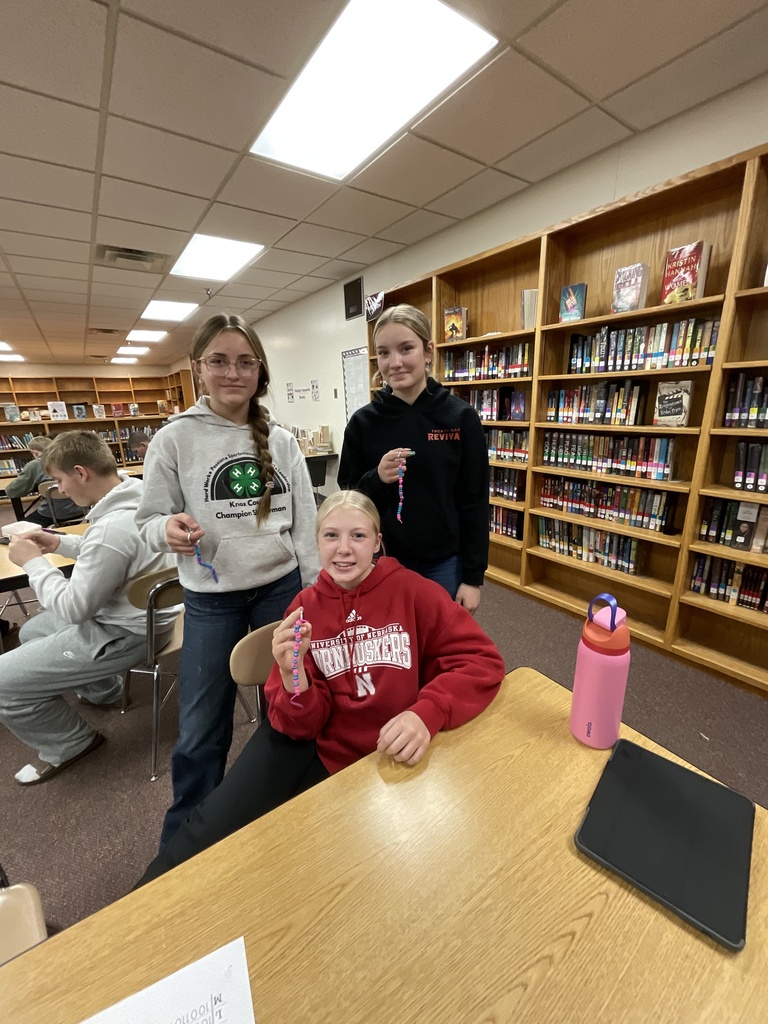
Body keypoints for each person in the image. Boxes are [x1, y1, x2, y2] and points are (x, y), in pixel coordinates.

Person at [135, 490, 504, 885]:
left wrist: (427, 712)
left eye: (358, 536)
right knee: (218, 836)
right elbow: (301, 724)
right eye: (331, 536)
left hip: (395, 750)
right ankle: (136, 912)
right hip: (323, 748)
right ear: (315, 543)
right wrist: (294, 677)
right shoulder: (304, 606)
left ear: (378, 542)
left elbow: (483, 661)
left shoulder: (415, 591)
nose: (344, 550)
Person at [136, 312, 320, 848]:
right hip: (211, 600)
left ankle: (280, 808)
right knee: (200, 725)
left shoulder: (281, 440)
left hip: (281, 589)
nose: (232, 372)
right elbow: (147, 521)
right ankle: (189, 841)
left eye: (244, 362)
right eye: (219, 361)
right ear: (199, 369)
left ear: (259, 370)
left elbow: (306, 524)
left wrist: (312, 593)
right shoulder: (173, 440)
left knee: (285, 706)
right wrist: (164, 530)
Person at [0, 431, 177, 785]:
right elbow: (113, 554)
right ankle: (107, 691)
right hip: (151, 617)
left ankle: (71, 743)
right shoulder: (136, 495)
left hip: (123, 633)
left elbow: (73, 609)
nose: (60, 490)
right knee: (33, 629)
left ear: (81, 473)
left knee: (2, 680)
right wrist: (60, 543)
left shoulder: (112, 527)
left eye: (59, 480)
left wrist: (35, 562)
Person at [338, 304, 489, 614]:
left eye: (406, 348)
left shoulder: (460, 418)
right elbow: (349, 499)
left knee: (441, 646)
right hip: (382, 560)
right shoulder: (363, 423)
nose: (395, 362)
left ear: (428, 351)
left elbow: (474, 501)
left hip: (445, 563)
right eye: (383, 353)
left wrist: (473, 578)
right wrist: (377, 478)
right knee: (389, 644)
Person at [4, 435, 87, 526]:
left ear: (35, 453)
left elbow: (12, 491)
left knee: (21, 527)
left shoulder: (35, 465)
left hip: (53, 514)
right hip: (81, 509)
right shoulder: (72, 459)